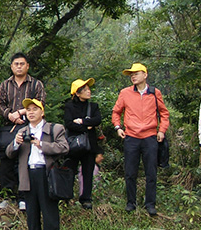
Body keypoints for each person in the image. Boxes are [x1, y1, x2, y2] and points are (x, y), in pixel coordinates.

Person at [6, 98, 69, 230]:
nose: (31, 112)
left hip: (46, 174)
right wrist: (16, 143)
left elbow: (64, 148)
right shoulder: (23, 131)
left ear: (42, 112)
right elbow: (9, 153)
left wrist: (42, 145)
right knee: (32, 212)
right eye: (28, 110)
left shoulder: (55, 129)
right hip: (28, 174)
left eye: (35, 109)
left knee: (49, 211)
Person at [111, 63, 170, 216]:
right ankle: (131, 203)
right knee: (130, 172)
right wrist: (118, 128)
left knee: (151, 172)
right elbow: (116, 112)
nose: (133, 76)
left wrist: (162, 130)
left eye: (136, 73)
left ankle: (150, 204)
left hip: (150, 137)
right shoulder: (125, 93)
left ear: (145, 75)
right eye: (131, 74)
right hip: (131, 137)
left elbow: (164, 114)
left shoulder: (155, 93)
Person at [0, 52, 46, 211]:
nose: (19, 66)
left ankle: (24, 197)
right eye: (16, 64)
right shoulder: (5, 85)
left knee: (24, 161)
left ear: (27, 66)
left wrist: (21, 112)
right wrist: (10, 115)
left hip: (29, 127)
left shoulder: (36, 84)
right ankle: (8, 196)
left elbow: (40, 102)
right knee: (6, 161)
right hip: (9, 128)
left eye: (22, 64)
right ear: (11, 66)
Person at [63, 78, 102, 209]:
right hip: (73, 144)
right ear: (77, 93)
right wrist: (87, 127)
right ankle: (66, 197)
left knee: (88, 172)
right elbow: (69, 123)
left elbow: (97, 120)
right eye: (85, 90)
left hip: (89, 145)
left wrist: (82, 122)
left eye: (88, 89)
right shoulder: (69, 106)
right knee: (69, 170)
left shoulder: (93, 106)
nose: (88, 91)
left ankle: (86, 199)